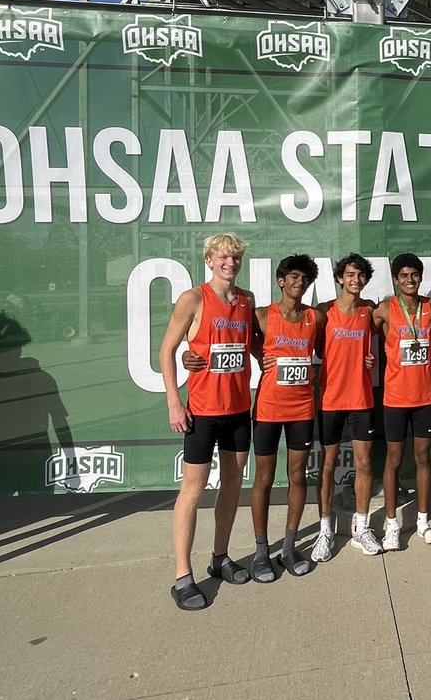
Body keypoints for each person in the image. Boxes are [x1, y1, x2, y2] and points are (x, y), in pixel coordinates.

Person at [159, 233, 259, 611]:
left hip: (237, 410)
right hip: (201, 411)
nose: (229, 263)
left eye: (234, 257)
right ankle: (182, 576)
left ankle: (220, 557)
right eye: (222, 257)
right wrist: (173, 402)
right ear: (210, 261)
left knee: (232, 485)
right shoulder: (194, 298)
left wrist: (272, 360)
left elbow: (250, 346)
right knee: (193, 491)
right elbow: (167, 349)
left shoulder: (246, 301)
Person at [249, 255, 323, 580]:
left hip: (301, 408)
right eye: (293, 277)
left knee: (297, 475)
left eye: (304, 279)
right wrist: (260, 357)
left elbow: (327, 352)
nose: (299, 283)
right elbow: (243, 343)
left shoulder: (315, 318)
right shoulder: (263, 316)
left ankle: (290, 549)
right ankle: (261, 552)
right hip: (268, 408)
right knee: (264, 478)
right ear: (281, 280)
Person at [373, 253, 431, 549]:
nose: (409, 280)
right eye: (403, 276)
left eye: (414, 275)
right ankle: (392, 525)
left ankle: (422, 522)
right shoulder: (385, 310)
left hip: (424, 397)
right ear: (395, 279)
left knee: (423, 459)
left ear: (420, 277)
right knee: (393, 460)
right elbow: (366, 335)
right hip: (395, 397)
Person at [312, 253, 382, 561]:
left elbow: (380, 343)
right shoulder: (324, 313)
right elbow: (314, 347)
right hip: (330, 399)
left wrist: (370, 359)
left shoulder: (369, 311)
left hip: (361, 399)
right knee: (327, 466)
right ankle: (325, 530)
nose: (356, 279)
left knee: (365, 463)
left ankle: (361, 527)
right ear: (340, 278)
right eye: (350, 274)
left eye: (361, 275)